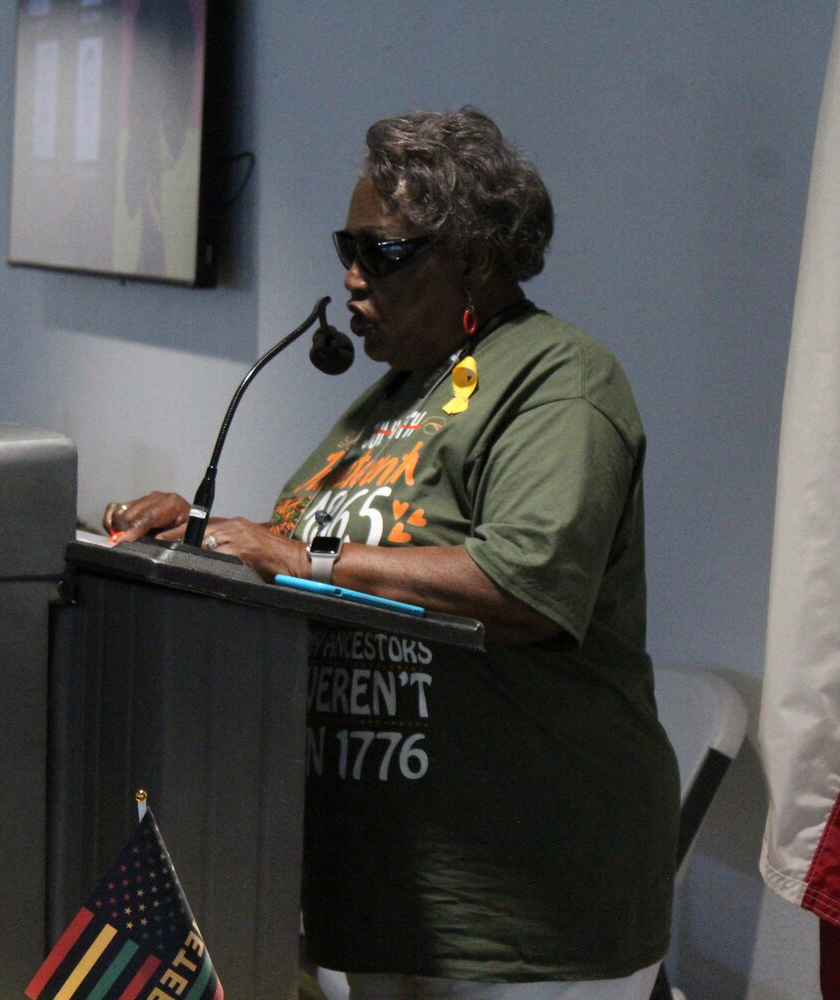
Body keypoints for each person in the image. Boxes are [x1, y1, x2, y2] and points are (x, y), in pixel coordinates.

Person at [104, 108, 679, 1000]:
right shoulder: (389, 400)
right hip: (378, 894)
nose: (352, 278)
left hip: (515, 905)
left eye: (383, 252)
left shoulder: (558, 379)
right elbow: (316, 555)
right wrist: (202, 540)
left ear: (477, 261)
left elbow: (516, 585)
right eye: (349, 246)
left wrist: (303, 556)